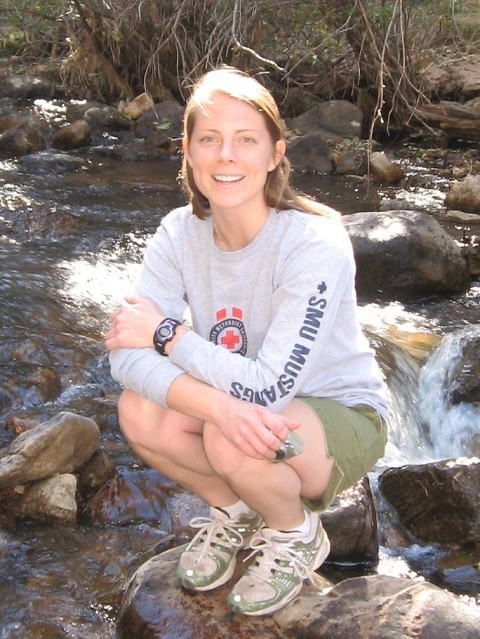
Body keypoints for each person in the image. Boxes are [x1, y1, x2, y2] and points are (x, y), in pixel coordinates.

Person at [105, 66, 389, 617]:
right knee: (139, 411)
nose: (226, 156)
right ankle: (234, 510)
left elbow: (266, 389)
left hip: (339, 412)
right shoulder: (176, 233)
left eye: (245, 140)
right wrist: (215, 404)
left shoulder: (313, 242)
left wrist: (167, 334)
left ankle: (295, 532)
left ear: (275, 153)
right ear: (187, 151)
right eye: (209, 140)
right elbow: (125, 354)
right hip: (244, 405)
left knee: (227, 436)